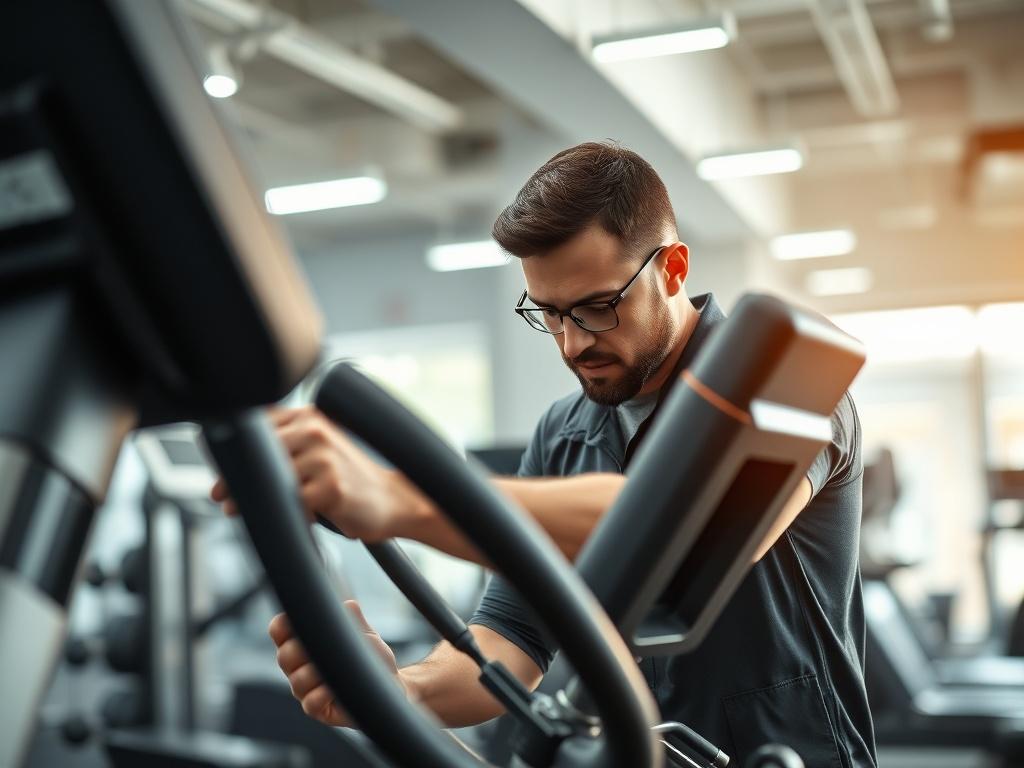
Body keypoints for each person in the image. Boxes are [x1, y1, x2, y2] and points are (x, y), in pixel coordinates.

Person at [212, 142, 876, 767]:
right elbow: (511, 640)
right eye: (549, 313)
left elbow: (687, 533)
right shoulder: (563, 433)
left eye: (597, 307)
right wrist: (393, 691)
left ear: (672, 269)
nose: (572, 343)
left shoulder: (789, 384)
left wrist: (396, 497)